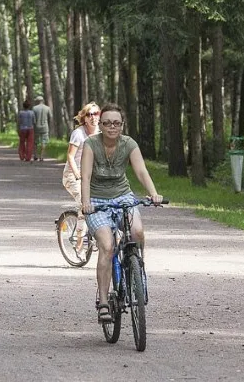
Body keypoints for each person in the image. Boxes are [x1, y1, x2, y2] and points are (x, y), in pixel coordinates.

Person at [80, 103, 162, 323]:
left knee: (137, 232)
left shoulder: (129, 144)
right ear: (101, 125)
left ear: (122, 125)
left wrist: (153, 193)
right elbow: (85, 177)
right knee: (106, 246)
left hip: (123, 195)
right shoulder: (90, 145)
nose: (111, 127)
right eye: (106, 123)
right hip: (97, 200)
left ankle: (137, 269)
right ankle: (104, 302)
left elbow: (141, 171)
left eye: (116, 123)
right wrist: (86, 202)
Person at [62, 102, 101, 256]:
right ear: (84, 118)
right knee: (84, 204)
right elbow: (70, 156)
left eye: (96, 114)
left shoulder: (101, 133)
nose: (93, 117)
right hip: (72, 175)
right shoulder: (79, 134)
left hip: (91, 176)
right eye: (89, 114)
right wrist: (78, 175)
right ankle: (79, 243)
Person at [32, 95, 51, 161]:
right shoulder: (47, 108)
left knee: (35, 142)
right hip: (45, 127)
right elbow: (50, 117)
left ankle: (35, 155)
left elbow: (33, 119)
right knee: (44, 141)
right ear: (42, 101)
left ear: (37, 101)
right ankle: (42, 156)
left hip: (37, 127)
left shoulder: (34, 108)